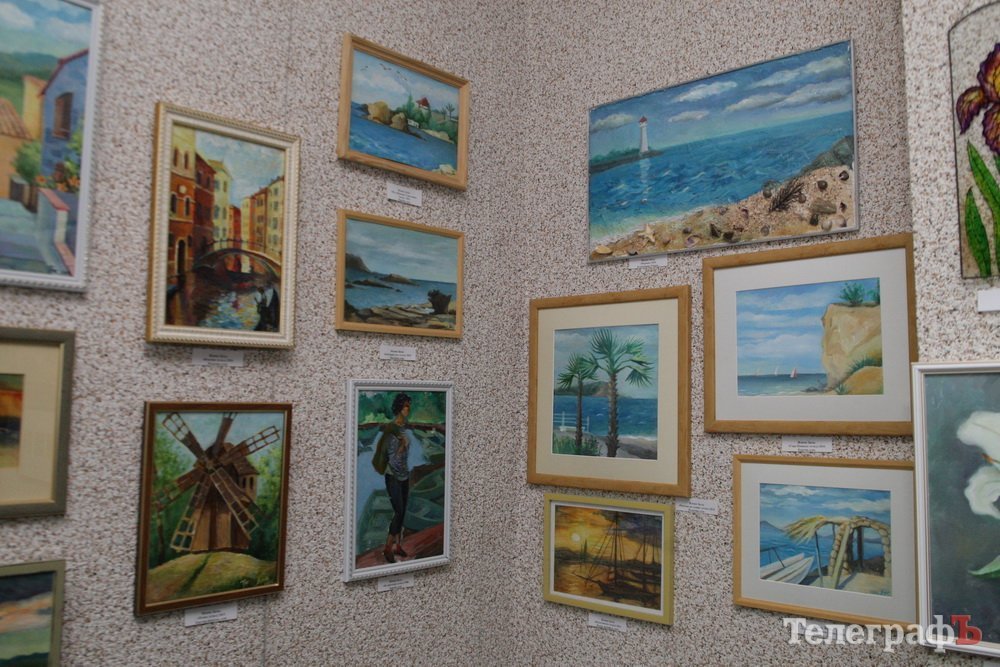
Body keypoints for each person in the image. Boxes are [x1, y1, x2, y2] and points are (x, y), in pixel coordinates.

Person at [376, 393, 412, 563]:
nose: (408, 409)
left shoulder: (403, 427)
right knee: (398, 512)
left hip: (404, 475)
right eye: (406, 406)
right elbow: (393, 458)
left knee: (402, 511)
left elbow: (404, 456)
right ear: (399, 408)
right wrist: (403, 446)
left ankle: (398, 546)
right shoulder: (392, 429)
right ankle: (387, 547)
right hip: (393, 476)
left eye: (409, 406)